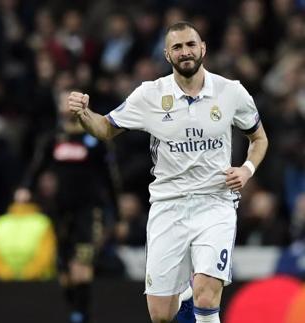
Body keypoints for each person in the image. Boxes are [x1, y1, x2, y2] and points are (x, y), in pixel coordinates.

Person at [67, 21, 268, 323]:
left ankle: (194, 294)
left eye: (190, 45)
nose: (185, 52)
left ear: (203, 48)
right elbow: (106, 129)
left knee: (206, 293)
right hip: (167, 206)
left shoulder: (231, 92)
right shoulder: (149, 95)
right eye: (177, 47)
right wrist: (84, 114)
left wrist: (247, 169)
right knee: (160, 315)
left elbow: (259, 138)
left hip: (215, 203)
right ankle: (182, 294)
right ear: (166, 54)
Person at [15, 91, 116, 323]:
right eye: (64, 101)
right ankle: (75, 310)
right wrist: (25, 188)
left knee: (81, 263)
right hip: (59, 211)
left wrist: (115, 213)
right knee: (64, 270)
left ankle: (81, 315)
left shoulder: (94, 139)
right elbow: (36, 167)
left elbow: (110, 178)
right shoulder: (53, 138)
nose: (68, 106)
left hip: (89, 211)